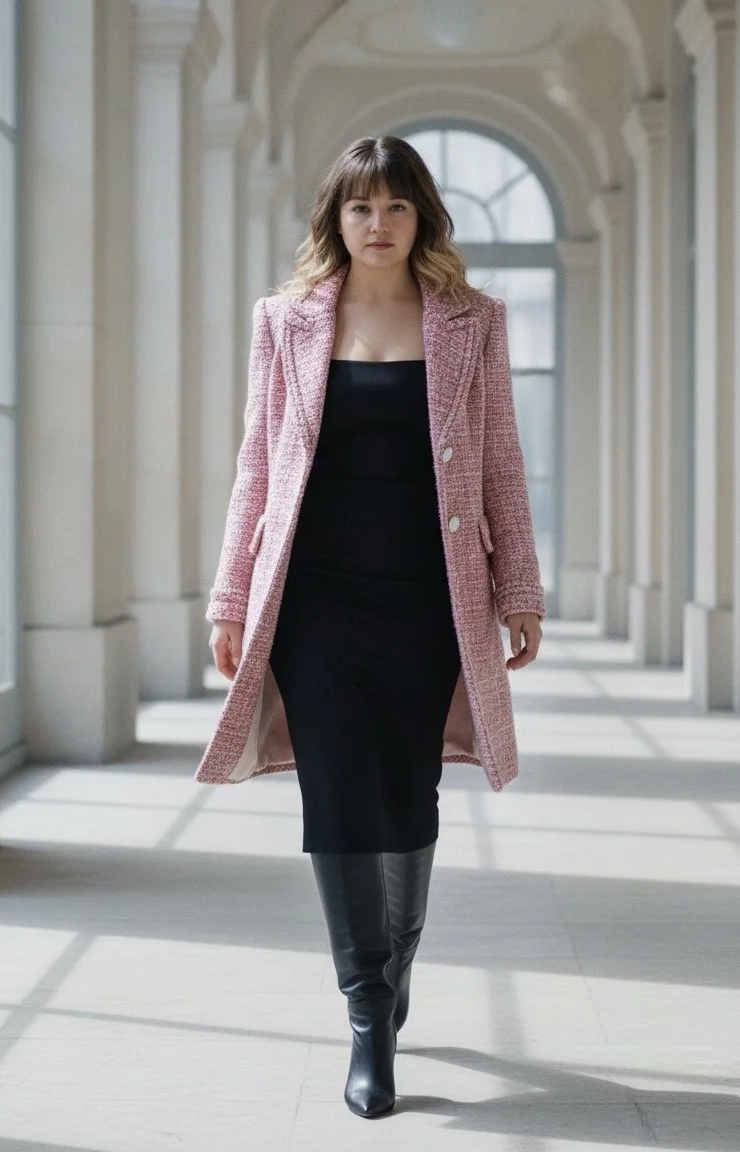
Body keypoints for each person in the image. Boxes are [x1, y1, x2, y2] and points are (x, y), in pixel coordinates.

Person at [205, 135, 545, 1118]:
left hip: (429, 597)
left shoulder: (470, 322)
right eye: (360, 209)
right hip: (313, 601)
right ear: (335, 219)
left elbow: (499, 464)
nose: (378, 225)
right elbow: (256, 467)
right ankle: (365, 1013)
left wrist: (515, 587)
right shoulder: (286, 321)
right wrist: (231, 599)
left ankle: (394, 974)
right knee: (338, 802)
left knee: (409, 797)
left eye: (396, 208)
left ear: (421, 219)